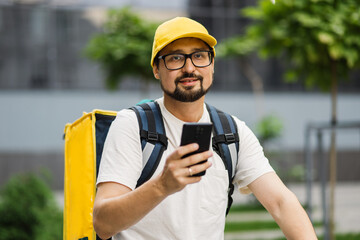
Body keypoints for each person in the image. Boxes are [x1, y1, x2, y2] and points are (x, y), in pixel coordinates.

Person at [93, 17, 318, 240]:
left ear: (212, 65)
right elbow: (103, 224)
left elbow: (281, 203)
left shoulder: (232, 132)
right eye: (175, 58)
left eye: (199, 56)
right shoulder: (131, 125)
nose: (189, 68)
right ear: (156, 69)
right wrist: (162, 186)